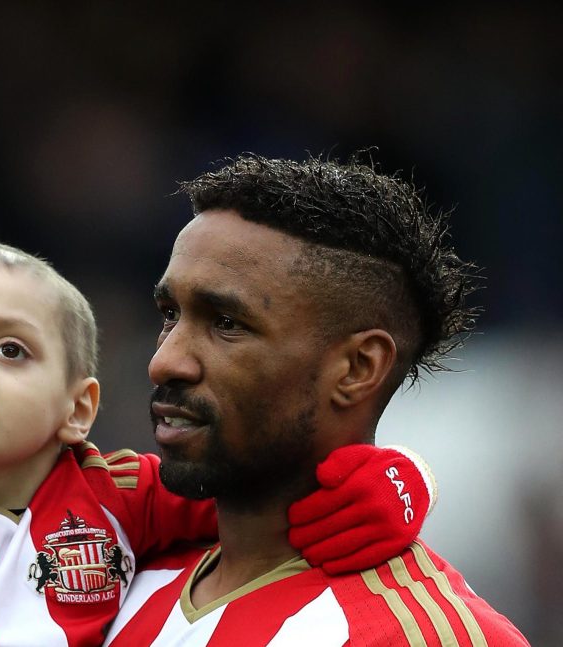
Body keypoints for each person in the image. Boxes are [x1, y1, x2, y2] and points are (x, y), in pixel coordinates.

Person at [0, 57, 438, 646]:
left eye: (10, 349)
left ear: (79, 404)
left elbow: (271, 483)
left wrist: (401, 481)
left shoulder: (118, 498)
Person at [103, 153, 530, 645]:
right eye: (170, 313)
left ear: (357, 368)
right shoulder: (103, 564)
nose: (164, 362)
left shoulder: (422, 635)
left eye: (227, 323)